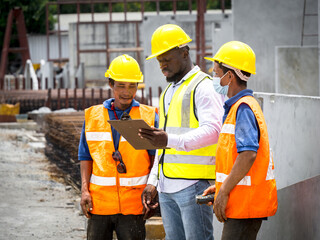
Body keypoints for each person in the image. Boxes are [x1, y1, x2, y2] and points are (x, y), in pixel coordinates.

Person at [139, 24, 224, 240]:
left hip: (194, 185)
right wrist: (154, 181)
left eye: (167, 59)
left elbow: (214, 131)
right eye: (159, 61)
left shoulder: (203, 87)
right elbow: (162, 142)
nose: (162, 66)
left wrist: (170, 139)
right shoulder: (168, 91)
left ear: (184, 53)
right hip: (168, 187)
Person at [202, 41, 278, 240]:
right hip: (242, 204)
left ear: (230, 76)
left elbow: (248, 155)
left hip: (246, 207)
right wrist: (220, 187)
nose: (214, 77)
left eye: (217, 73)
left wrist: (224, 191)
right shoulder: (238, 107)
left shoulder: (243, 108)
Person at [78, 54, 159, 240]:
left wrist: (153, 190)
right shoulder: (93, 116)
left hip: (134, 206)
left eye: (132, 85)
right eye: (121, 85)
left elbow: (156, 160)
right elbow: (85, 157)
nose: (126, 91)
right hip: (99, 205)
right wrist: (84, 191)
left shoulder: (147, 116)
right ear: (110, 84)